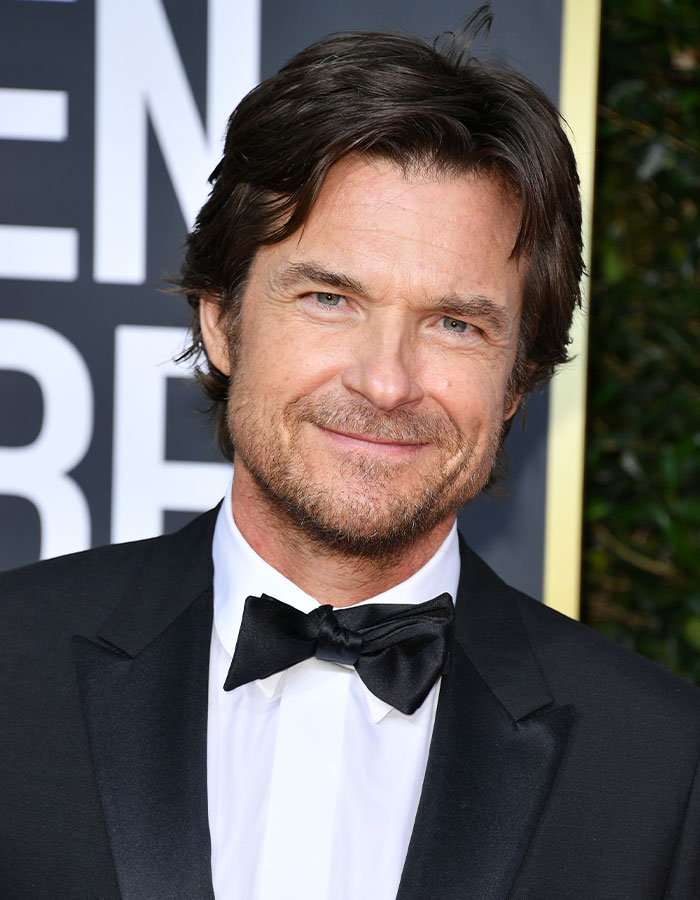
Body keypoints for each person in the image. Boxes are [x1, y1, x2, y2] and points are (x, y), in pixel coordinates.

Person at [2, 22, 699, 900]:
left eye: (455, 323)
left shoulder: (662, 767)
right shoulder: (12, 669)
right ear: (221, 320)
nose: (387, 381)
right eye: (330, 298)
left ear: (519, 378)